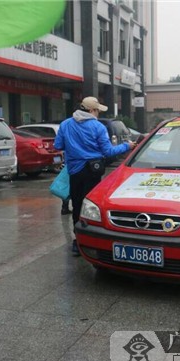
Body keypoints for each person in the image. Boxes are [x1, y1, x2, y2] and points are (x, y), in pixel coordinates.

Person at [54, 96, 136, 256]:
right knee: (91, 207)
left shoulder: (65, 124)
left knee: (77, 205)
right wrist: (127, 146)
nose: (98, 113)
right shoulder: (98, 127)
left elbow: (58, 145)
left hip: (74, 172)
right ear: (91, 110)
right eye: (97, 110)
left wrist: (73, 147)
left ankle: (77, 242)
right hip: (92, 172)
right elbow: (108, 151)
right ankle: (91, 240)